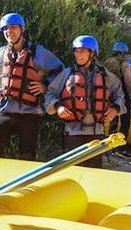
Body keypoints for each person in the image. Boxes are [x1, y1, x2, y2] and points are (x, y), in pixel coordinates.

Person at [0, 13, 64, 160]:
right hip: (5, 111)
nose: (9, 32)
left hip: (30, 114)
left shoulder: (38, 53)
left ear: (22, 29)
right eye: (6, 29)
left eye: (13, 27)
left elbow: (60, 71)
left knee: (27, 158)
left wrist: (45, 85)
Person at [43, 35, 125, 168]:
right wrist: (57, 107)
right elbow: (49, 94)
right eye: (76, 50)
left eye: (82, 50)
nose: (78, 54)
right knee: (75, 170)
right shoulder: (67, 74)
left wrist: (115, 109)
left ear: (92, 53)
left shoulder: (106, 76)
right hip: (73, 131)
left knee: (94, 171)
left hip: (96, 132)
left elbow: (120, 95)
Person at [103, 41, 131, 138]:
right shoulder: (125, 64)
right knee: (125, 120)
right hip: (122, 92)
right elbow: (128, 81)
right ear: (124, 53)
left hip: (110, 92)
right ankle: (121, 146)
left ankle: (110, 146)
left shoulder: (107, 62)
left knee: (113, 118)